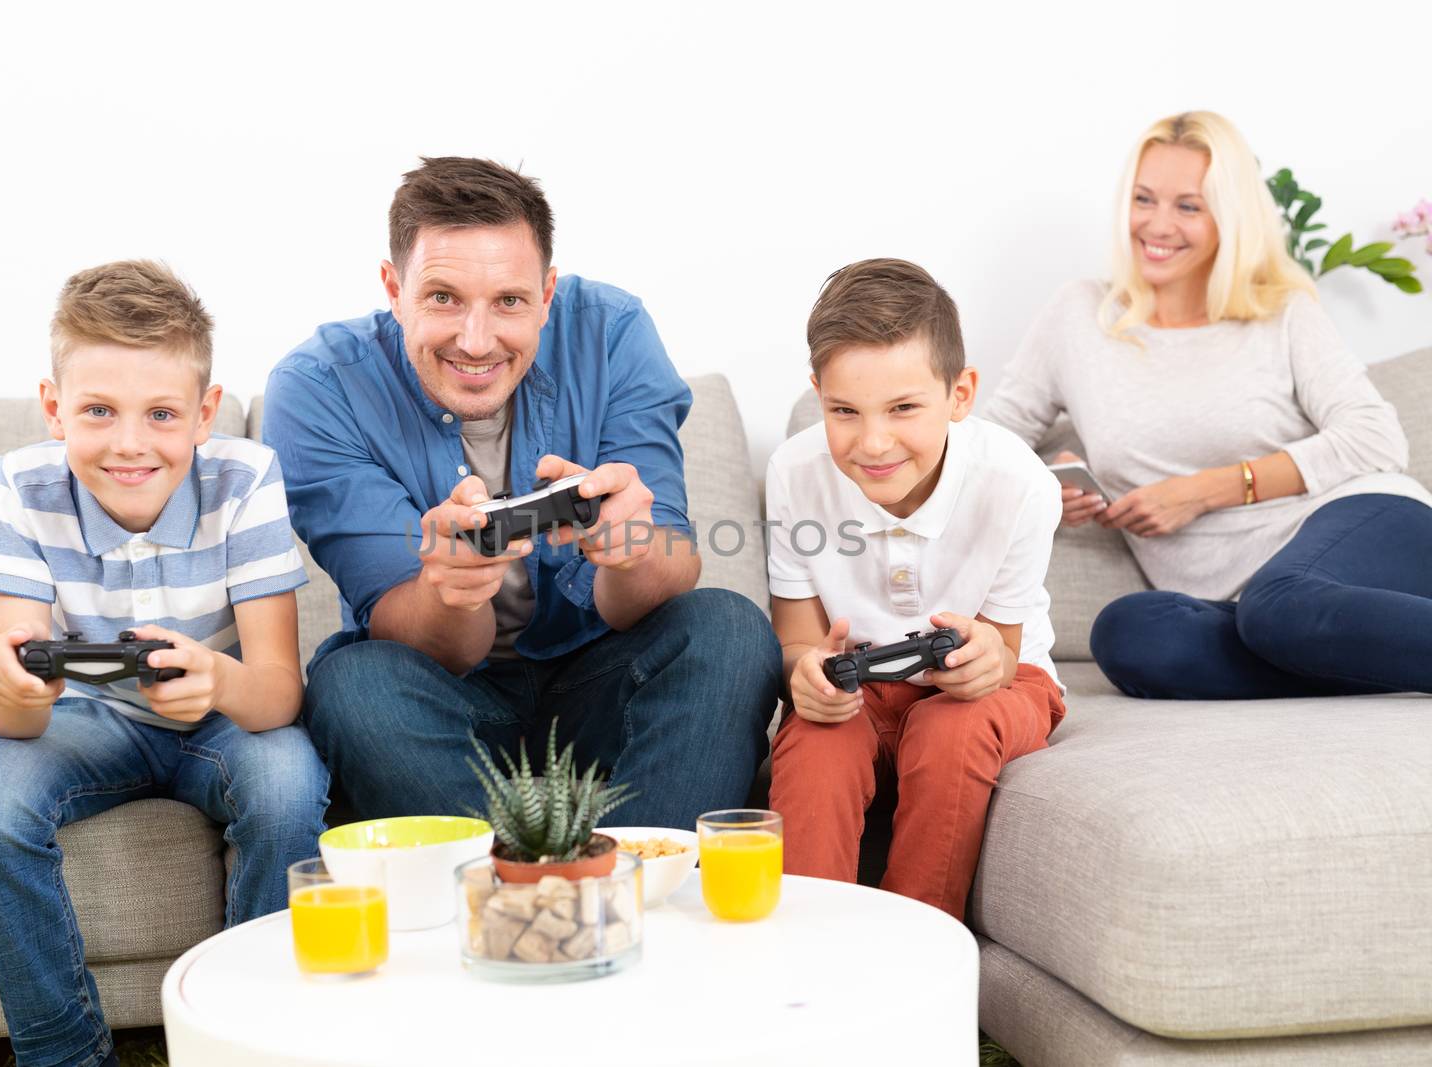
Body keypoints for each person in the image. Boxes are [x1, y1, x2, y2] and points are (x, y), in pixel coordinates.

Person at [262, 157, 778, 828]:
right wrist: (453, 589)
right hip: (440, 695)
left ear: (547, 291)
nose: (476, 342)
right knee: (351, 685)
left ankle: (649, 892)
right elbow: (428, 639)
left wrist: (630, 552)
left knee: (730, 629)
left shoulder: (614, 332)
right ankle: (515, 893)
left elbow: (667, 575)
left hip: (598, 677)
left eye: (509, 300)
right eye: (443, 297)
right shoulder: (317, 387)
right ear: (394, 288)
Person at [0, 261, 329, 1067]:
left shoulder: (245, 478)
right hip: (91, 719)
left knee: (288, 781)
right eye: (97, 411)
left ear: (204, 413)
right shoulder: (24, 483)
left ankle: (241, 1035)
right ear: (54, 409)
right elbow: (17, 717)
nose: (129, 443)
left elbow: (277, 693)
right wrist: (11, 686)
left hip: (224, 714)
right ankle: (63, 1054)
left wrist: (217, 680)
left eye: (160, 413)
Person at [984, 110, 1432, 700]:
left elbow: (1376, 437)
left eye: (1188, 206)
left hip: (1362, 523)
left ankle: (1319, 636)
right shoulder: (1079, 316)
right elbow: (985, 444)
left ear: (1230, 218)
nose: (1157, 224)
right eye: (1144, 199)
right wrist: (1042, 489)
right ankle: (1354, 654)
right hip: (1239, 605)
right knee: (1131, 635)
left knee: (1280, 609)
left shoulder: (1283, 312)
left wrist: (1205, 490)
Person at [765, 258, 1067, 920]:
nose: (874, 442)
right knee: (818, 739)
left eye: (904, 408)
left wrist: (986, 657)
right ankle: (801, 955)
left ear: (961, 394)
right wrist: (806, 672)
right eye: (844, 410)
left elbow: (1006, 655)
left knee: (949, 729)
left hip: (998, 683)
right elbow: (796, 640)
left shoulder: (1018, 484)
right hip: (861, 681)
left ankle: (915, 951)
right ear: (818, 393)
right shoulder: (794, 470)